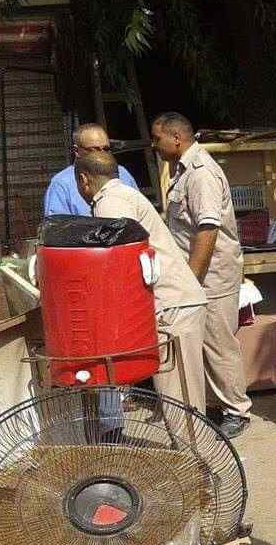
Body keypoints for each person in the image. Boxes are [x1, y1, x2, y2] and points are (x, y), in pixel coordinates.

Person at [74, 150, 207, 414]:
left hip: (171, 307)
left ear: (84, 180)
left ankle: (192, 443)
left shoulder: (110, 202)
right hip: (177, 303)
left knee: (181, 406)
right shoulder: (123, 195)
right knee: (181, 403)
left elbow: (120, 261)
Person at [151, 112, 252, 439]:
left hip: (211, 277)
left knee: (218, 343)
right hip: (198, 276)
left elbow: (207, 230)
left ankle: (237, 410)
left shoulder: (200, 173)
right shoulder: (182, 171)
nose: (154, 146)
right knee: (204, 344)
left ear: (176, 138)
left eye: (157, 139)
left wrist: (191, 282)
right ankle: (216, 405)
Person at [44, 123, 138, 216]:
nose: (102, 154)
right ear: (76, 151)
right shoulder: (61, 184)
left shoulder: (123, 173)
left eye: (106, 149)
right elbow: (58, 223)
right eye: (95, 149)